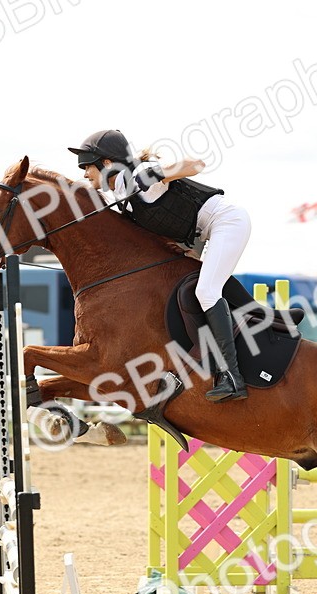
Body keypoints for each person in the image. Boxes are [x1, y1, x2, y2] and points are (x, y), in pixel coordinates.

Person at [68, 129, 251, 403]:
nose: (84, 174)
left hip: (226, 222)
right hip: (203, 236)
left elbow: (196, 165)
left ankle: (232, 376)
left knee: (206, 292)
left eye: (87, 167)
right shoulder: (122, 196)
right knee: (191, 290)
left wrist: (154, 175)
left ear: (107, 163)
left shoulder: (141, 174)